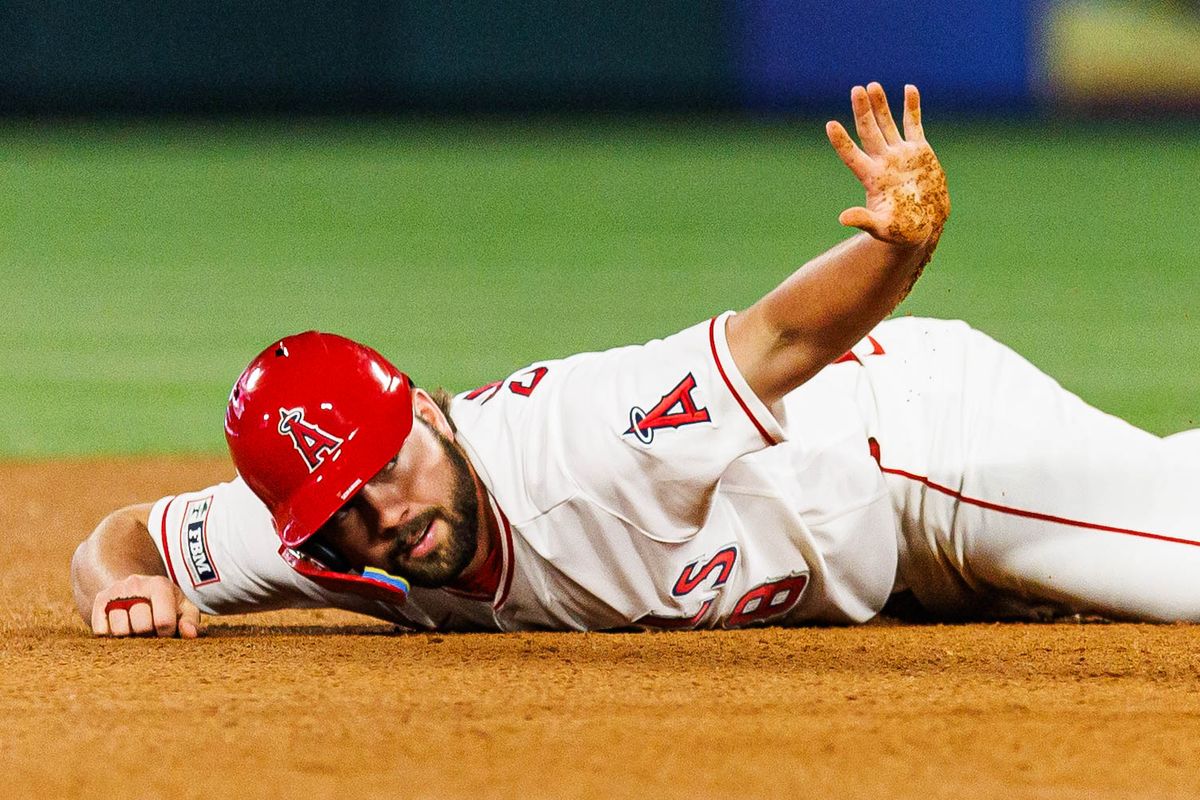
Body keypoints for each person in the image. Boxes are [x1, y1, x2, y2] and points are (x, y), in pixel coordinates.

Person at [71, 83, 1200, 639]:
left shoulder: (586, 437)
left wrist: (900, 248)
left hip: (922, 451)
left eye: (388, 464)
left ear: (424, 408)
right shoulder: (335, 541)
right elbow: (123, 539)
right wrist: (120, 581)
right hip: (888, 561)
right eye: (341, 508)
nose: (383, 514)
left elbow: (779, 337)